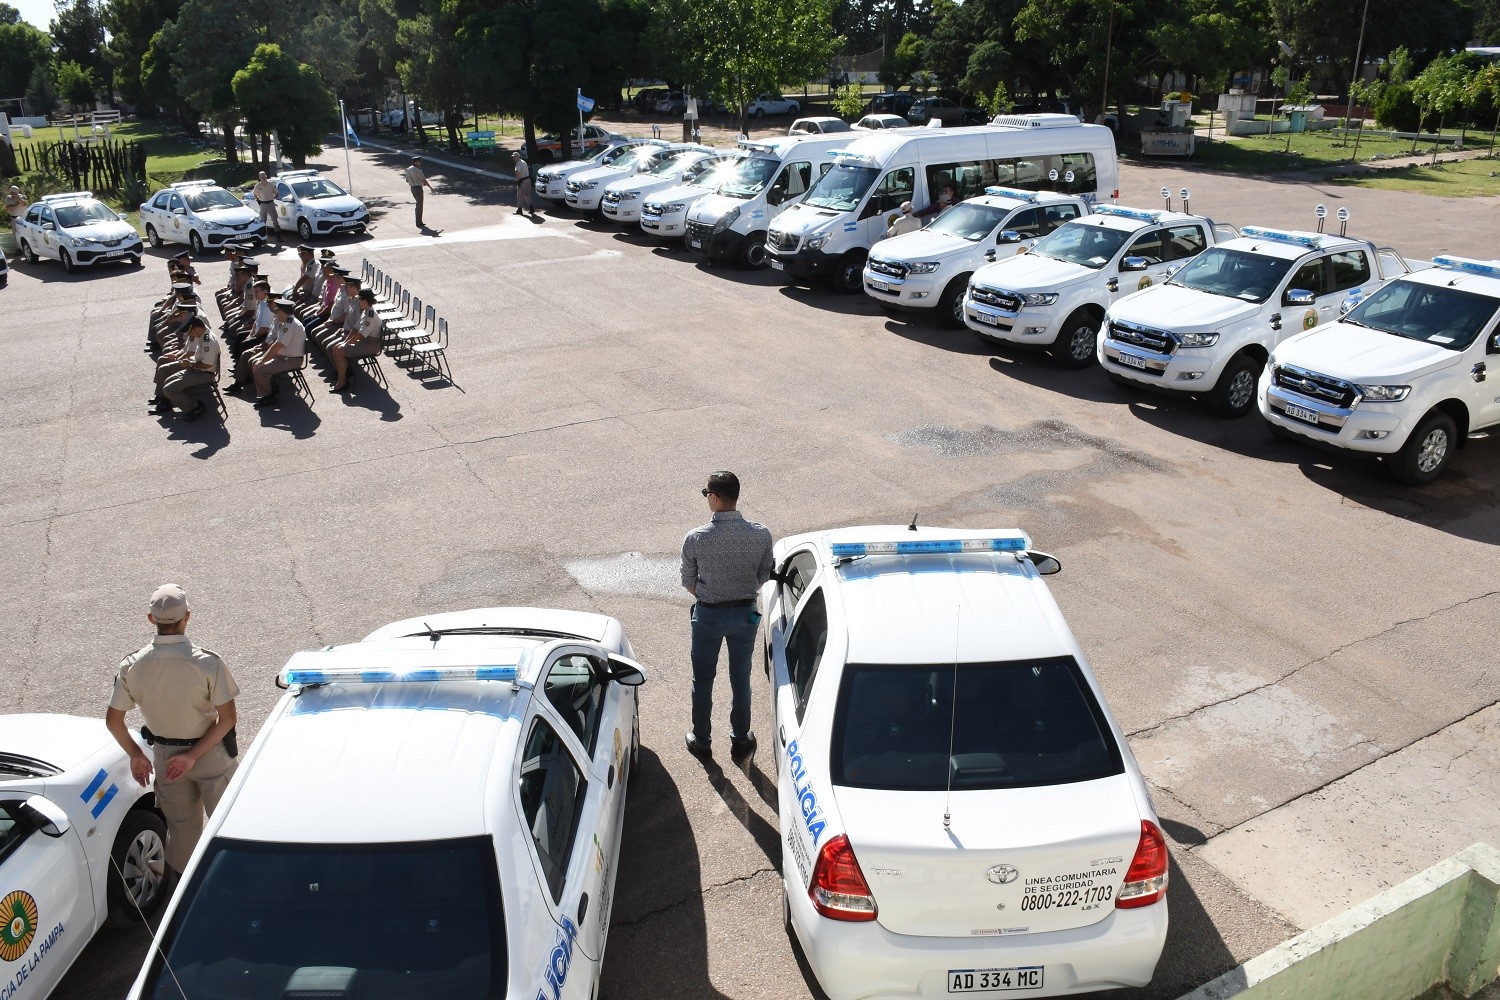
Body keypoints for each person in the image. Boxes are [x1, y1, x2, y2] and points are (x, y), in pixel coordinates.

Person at [104, 584, 239, 879]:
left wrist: (137, 755)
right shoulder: (207, 662)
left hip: (166, 758)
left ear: (151, 619)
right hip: (210, 753)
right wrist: (192, 756)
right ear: (187, 616)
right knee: (228, 824)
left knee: (181, 832)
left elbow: (114, 721)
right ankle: (234, 883)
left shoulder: (132, 665)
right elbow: (227, 718)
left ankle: (181, 895)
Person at [679, 470, 773, 760]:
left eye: (707, 494)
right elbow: (764, 575)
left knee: (703, 679)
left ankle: (702, 740)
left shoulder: (696, 538)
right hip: (746, 616)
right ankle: (741, 738)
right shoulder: (760, 534)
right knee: (741, 678)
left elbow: (688, 582)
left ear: (715, 497)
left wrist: (712, 595)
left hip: (708, 616)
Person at [156, 316, 220, 420]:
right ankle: (183, 401)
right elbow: (198, 356)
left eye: (193, 333)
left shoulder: (208, 341)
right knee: (167, 379)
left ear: (198, 329)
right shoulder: (203, 336)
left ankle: (195, 407)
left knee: (168, 389)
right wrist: (183, 360)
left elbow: (207, 364)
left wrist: (189, 364)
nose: (192, 335)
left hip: (204, 374)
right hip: (196, 369)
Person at [250, 298, 307, 407]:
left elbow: (277, 346)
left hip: (291, 360)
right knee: (255, 362)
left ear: (282, 312)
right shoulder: (286, 322)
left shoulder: (289, 325)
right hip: (284, 356)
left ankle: (269, 396)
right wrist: (262, 360)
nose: (275, 315)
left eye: (277, 312)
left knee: (260, 369)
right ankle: (269, 389)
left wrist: (262, 361)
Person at [330, 288, 383, 392]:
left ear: (364, 301)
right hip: (365, 342)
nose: (358, 302)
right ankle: (344, 374)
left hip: (371, 345)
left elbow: (360, 335)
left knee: (340, 351)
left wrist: (346, 345)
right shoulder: (366, 311)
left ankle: (342, 382)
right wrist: (344, 342)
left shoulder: (370, 316)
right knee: (337, 347)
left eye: (359, 300)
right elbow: (355, 329)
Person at [251, 171, 281, 242]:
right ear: (259, 178)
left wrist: (276, 196)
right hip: (263, 204)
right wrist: (258, 200)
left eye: (264, 177)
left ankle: (278, 236)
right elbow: (255, 194)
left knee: (275, 220)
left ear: (266, 176)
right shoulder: (258, 186)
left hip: (271, 203)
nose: (264, 178)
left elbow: (276, 192)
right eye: (262, 177)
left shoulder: (270, 184)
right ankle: (264, 238)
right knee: (263, 221)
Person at [404, 156, 433, 227]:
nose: (420, 162)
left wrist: (414, 181)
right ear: (415, 162)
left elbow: (407, 180)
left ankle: (418, 221)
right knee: (419, 205)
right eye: (418, 161)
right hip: (418, 189)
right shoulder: (418, 170)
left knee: (418, 204)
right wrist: (430, 187)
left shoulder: (409, 169)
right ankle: (419, 222)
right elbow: (423, 180)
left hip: (412, 188)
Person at [512, 151, 536, 219]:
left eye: (514, 157)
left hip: (522, 181)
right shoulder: (524, 162)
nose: (513, 158)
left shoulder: (518, 164)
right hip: (528, 180)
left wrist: (518, 180)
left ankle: (519, 210)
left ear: (517, 157)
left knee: (520, 195)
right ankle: (531, 208)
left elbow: (517, 172)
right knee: (528, 194)